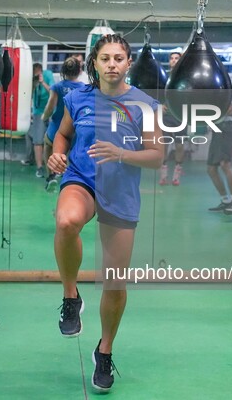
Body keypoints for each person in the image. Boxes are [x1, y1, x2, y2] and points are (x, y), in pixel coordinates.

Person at [47, 34, 163, 393]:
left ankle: (105, 349)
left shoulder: (144, 105)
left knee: (114, 280)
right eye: (105, 58)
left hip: (120, 190)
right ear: (93, 64)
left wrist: (122, 154)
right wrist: (56, 153)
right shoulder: (76, 97)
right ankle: (71, 297)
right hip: (81, 177)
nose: (112, 64)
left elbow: (157, 156)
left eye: (118, 58)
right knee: (66, 222)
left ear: (129, 63)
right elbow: (62, 136)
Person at [41, 56, 85, 192]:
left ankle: (51, 175)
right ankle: (71, 180)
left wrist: (44, 117)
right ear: (80, 71)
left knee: (48, 145)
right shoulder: (84, 88)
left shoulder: (57, 87)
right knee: (72, 153)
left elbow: (50, 106)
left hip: (57, 127)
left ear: (63, 71)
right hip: (76, 129)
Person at [206, 95, 232, 215]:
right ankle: (226, 201)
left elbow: (231, 111)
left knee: (225, 164)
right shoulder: (211, 87)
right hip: (216, 128)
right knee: (211, 169)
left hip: (225, 127)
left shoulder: (227, 86)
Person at [159, 51, 185, 186]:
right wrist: (160, 106)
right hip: (167, 115)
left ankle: (177, 174)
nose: (174, 60)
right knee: (164, 144)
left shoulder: (186, 77)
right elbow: (157, 94)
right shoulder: (165, 77)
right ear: (169, 62)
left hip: (181, 115)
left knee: (179, 145)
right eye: (172, 58)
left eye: (177, 58)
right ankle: (163, 175)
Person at [26, 62, 55, 178]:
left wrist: (42, 82)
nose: (36, 75)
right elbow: (28, 96)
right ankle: (39, 167)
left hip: (51, 111)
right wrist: (33, 84)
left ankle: (53, 168)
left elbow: (52, 92)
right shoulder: (31, 79)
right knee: (38, 141)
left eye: (37, 73)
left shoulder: (48, 75)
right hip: (38, 112)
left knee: (52, 140)